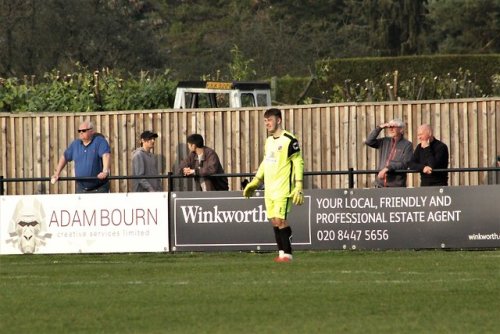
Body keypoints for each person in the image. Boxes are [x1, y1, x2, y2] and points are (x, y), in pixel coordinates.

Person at [243, 108, 304, 263]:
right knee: (274, 221)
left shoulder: (290, 139)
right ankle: (281, 253)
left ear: (279, 120)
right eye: (265, 121)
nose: (267, 123)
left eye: (269, 120)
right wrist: (256, 181)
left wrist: (298, 186)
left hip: (283, 188)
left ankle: (288, 255)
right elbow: (265, 162)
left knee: (281, 220)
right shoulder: (269, 141)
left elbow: (298, 162)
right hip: (269, 188)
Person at [52, 120, 111, 193]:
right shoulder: (75, 144)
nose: (81, 133)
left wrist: (105, 171)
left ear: (91, 131)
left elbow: (106, 155)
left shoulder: (99, 141)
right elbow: (65, 157)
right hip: (81, 188)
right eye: (79, 131)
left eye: (84, 130)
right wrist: (57, 173)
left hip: (99, 188)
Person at [365, 118, 413, 187]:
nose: (391, 129)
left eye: (393, 127)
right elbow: (369, 141)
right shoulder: (384, 141)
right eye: (389, 127)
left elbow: (406, 163)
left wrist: (388, 168)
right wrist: (380, 127)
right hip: (380, 184)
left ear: (401, 129)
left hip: (396, 186)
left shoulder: (407, 145)